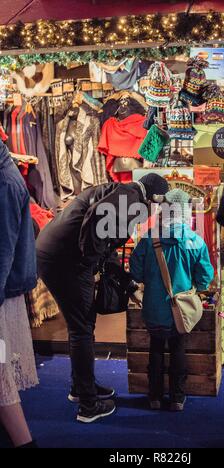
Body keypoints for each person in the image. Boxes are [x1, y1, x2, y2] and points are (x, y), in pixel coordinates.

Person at [36, 173, 169, 423]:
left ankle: (81, 388)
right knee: (82, 328)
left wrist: (129, 285)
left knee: (83, 326)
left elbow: (106, 242)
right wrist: (88, 262)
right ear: (153, 198)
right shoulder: (130, 198)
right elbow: (97, 221)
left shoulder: (125, 194)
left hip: (57, 254)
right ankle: (87, 405)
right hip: (64, 260)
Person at [130, 189, 214, 411]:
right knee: (178, 347)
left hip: (153, 308)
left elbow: (136, 272)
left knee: (155, 348)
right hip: (181, 311)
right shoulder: (195, 240)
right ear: (186, 212)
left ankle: (154, 397)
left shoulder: (149, 239)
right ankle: (177, 398)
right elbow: (205, 277)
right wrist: (195, 286)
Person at [0, 141, 38, 448]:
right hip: (6, 291)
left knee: (0, 372)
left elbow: (3, 250)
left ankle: (23, 442)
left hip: (2, 295)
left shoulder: (4, 183)